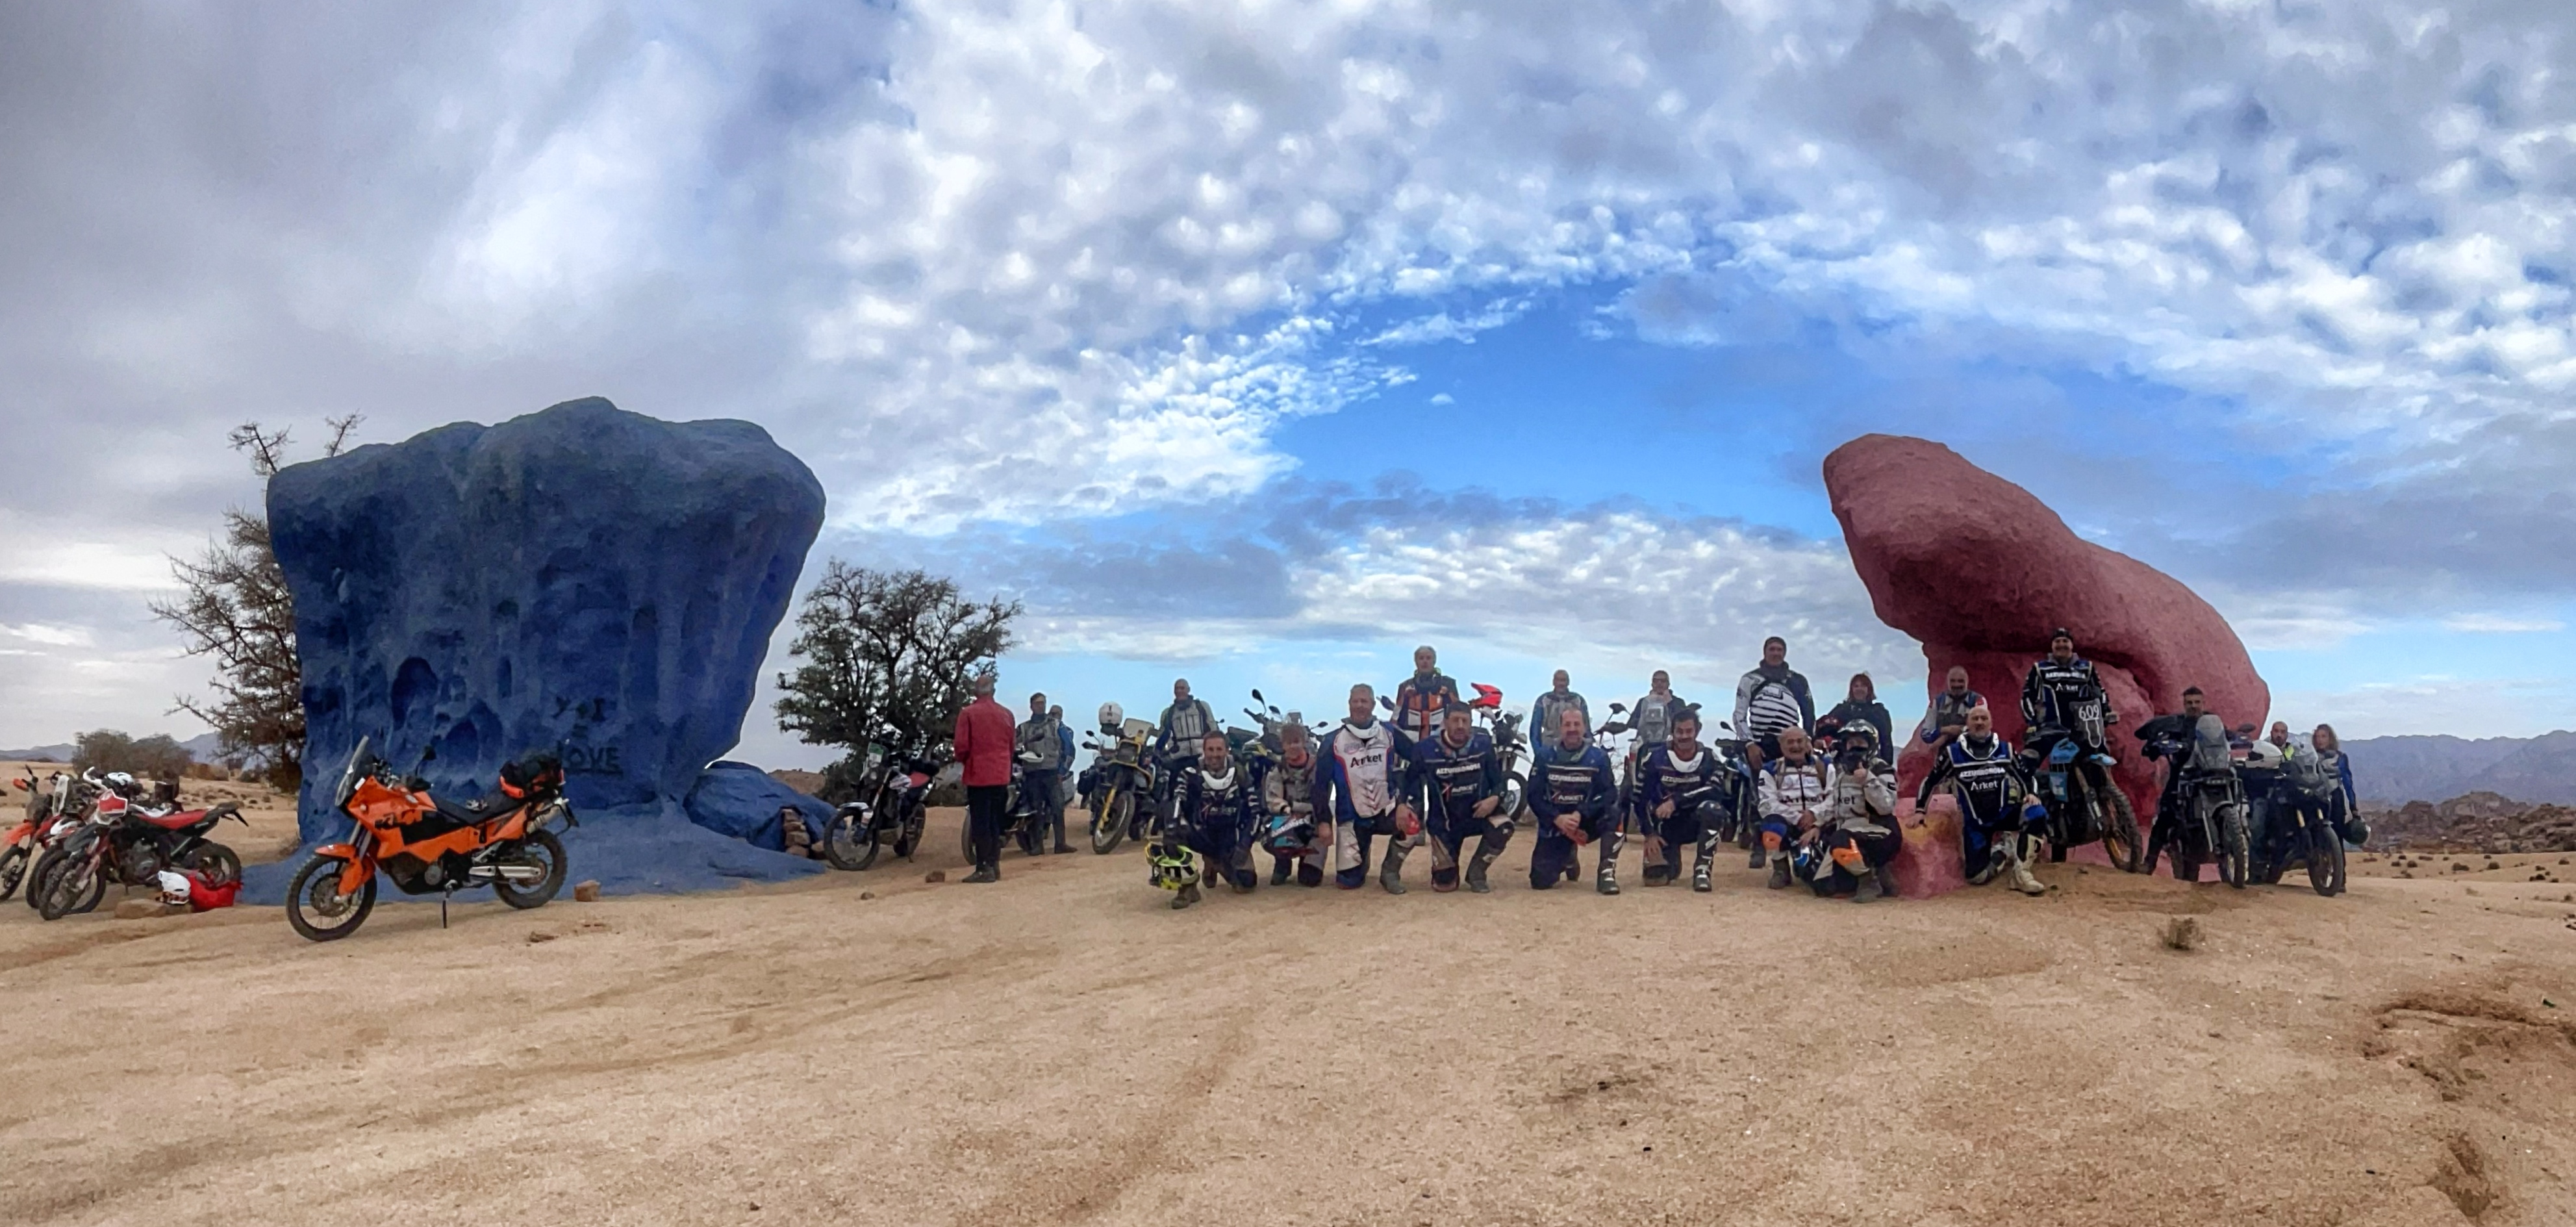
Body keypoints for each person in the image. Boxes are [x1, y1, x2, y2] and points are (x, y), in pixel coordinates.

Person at [1919, 705, 2043, 895]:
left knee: (2037, 813)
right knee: (1977, 877)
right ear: (1967, 723)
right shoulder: (1953, 754)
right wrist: (1920, 811)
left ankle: (2022, 874)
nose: (1979, 722)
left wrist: (2032, 794)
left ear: (1991, 723)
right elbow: (1930, 781)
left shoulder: (2005, 750)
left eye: (1983, 718)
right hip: (1976, 824)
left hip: (2005, 813)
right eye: (1975, 718)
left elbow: (2027, 777)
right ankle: (2003, 851)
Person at [1312, 683, 1420, 892]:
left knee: (1413, 826)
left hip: (1386, 810)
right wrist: (1324, 822)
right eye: (1356, 701)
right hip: (1351, 818)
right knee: (1348, 883)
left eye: (1365, 701)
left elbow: (1418, 759)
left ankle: (1390, 872)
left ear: (1372, 705)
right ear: (1349, 704)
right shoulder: (1332, 741)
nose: (1360, 706)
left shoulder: (1389, 733)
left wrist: (1404, 800)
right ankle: (1362, 854)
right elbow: (1320, 785)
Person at [1407, 705, 1511, 892]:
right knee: (1445, 885)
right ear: (1445, 722)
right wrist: (1411, 813)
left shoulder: (1483, 744)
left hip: (1476, 816)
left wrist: (1494, 798)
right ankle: (1445, 869)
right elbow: (1410, 783)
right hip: (1444, 824)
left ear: (1471, 724)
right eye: (1455, 720)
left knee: (1503, 825)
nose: (1460, 725)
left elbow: (1499, 782)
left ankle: (1477, 873)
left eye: (1465, 721)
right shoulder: (1425, 749)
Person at [1528, 707, 1619, 892]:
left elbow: (1610, 793)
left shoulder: (1598, 757)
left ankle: (1606, 873)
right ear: (1560, 728)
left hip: (1586, 821)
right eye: (1567, 724)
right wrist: (1556, 819)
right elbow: (1533, 795)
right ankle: (1568, 856)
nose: (1572, 729)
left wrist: (1582, 813)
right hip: (1557, 824)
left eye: (1577, 724)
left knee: (1615, 814)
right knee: (1540, 882)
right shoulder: (1545, 756)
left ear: (1585, 728)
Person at [1165, 731, 1260, 910]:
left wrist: (1245, 845)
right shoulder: (1189, 774)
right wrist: (1173, 825)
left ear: (1227, 750)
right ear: (1204, 750)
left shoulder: (1240, 773)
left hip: (1231, 836)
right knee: (1173, 832)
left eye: (1219, 749)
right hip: (1202, 833)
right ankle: (1187, 886)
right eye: (1210, 749)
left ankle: (1216, 863)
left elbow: (1256, 811)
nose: (1215, 754)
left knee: (1246, 884)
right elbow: (1176, 802)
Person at [1635, 709, 1728, 891]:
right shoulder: (1654, 758)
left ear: (1698, 731)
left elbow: (1715, 791)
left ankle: (1702, 870)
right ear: (1672, 731)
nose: (1684, 736)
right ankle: (1670, 856)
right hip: (1665, 826)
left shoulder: (1710, 758)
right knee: (1657, 878)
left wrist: (1677, 801)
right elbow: (1639, 799)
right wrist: (1649, 834)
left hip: (1696, 821)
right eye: (1679, 731)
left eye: (1689, 731)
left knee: (1713, 809)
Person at [1811, 726, 1900, 902]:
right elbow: (1833, 806)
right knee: (1823, 886)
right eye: (1851, 743)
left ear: (1871, 745)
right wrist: (1816, 824)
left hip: (1881, 831)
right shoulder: (1842, 775)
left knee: (1840, 839)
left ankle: (1868, 879)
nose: (1855, 747)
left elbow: (1886, 807)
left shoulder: (1882, 769)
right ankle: (1875, 872)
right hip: (1848, 833)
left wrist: (1868, 780)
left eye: (1860, 742)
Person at [2019, 628, 2119, 769]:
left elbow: (2099, 692)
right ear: (2052, 645)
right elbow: (2027, 697)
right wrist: (2032, 722)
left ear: (2072, 645)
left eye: (2065, 641)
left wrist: (2106, 712)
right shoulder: (2040, 669)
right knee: (2029, 758)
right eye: (2057, 641)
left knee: (2100, 758)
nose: (2061, 645)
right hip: (2050, 728)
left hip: (2083, 730)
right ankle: (2024, 789)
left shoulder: (2087, 668)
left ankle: (2104, 785)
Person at [953, 672, 1018, 883]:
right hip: (1001, 775)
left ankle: (983, 868)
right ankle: (994, 864)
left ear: (974, 691)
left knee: (981, 823)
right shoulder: (1007, 714)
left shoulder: (968, 713)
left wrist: (966, 761)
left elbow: (962, 747)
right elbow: (1011, 746)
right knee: (995, 822)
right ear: (994, 691)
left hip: (978, 775)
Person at [1755, 726, 1832, 889]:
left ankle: (1804, 862)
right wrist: (1797, 818)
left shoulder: (1825, 766)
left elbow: (1835, 798)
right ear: (1781, 745)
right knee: (1771, 826)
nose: (1795, 746)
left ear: (1807, 743)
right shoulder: (1770, 770)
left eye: (1799, 741)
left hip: (1818, 825)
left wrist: (1814, 815)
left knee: (1817, 880)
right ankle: (1780, 869)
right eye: (1790, 742)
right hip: (1789, 824)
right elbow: (1767, 804)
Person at [1622, 670, 1691, 829]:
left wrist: (1669, 704)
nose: (1659, 684)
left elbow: (1684, 720)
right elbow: (1633, 721)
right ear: (1652, 683)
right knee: (1629, 775)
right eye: (1656, 681)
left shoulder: (1678, 702)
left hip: (1669, 742)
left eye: (1663, 681)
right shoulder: (1644, 702)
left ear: (1668, 684)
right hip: (1646, 743)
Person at [1734, 637, 1814, 771]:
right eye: (1772, 649)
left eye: (1779, 650)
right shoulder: (1749, 679)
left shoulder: (1798, 680)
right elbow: (1739, 715)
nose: (1776, 653)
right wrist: (1749, 744)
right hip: (1760, 745)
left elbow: (1809, 714)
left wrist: (1807, 740)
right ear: (1765, 652)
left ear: (1785, 653)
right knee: (1757, 788)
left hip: (1792, 744)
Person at [1261, 720, 1324, 887]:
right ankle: (1283, 863)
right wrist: (1289, 811)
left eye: (1296, 741)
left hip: (1315, 824)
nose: (1293, 746)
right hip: (1290, 819)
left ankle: (1308, 860)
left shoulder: (1318, 768)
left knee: (1310, 879)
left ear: (1304, 742)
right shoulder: (1277, 770)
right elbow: (1273, 800)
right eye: (1289, 742)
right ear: (1283, 745)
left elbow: (1323, 800)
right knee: (1271, 828)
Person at [1017, 693, 1068, 854]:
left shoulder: (1056, 725)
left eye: (1043, 703)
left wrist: (1062, 771)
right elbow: (1012, 746)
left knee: (1058, 808)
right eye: (1038, 703)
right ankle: (1037, 846)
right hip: (1032, 774)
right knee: (1035, 811)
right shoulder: (1023, 728)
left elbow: (1069, 748)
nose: (1041, 706)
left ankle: (1061, 844)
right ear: (1031, 706)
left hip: (1052, 773)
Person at [1391, 645, 1461, 752]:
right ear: (1416, 661)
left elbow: (1458, 711)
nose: (1425, 662)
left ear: (1434, 661)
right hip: (1411, 742)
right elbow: (1396, 717)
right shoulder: (1405, 686)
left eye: (1428, 658)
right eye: (1421, 658)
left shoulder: (1448, 684)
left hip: (1441, 742)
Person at [2309, 724, 2368, 846]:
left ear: (2330, 738)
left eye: (2324, 736)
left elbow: (2347, 782)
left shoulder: (2340, 758)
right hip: (2315, 798)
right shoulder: (2310, 758)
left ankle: (2339, 864)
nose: (2320, 740)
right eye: (2318, 737)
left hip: (2336, 798)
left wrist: (2353, 808)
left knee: (2337, 833)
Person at [1819, 673, 1893, 757]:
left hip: (1871, 758)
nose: (1859, 689)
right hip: (1844, 759)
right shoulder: (1842, 710)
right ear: (1851, 690)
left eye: (1863, 686)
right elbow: (1824, 728)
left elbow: (1886, 741)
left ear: (1869, 689)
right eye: (1856, 686)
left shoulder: (1879, 712)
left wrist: (1887, 764)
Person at [1915, 666, 1984, 750]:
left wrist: (1948, 736)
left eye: (1961, 681)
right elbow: (1926, 734)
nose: (1957, 685)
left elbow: (1981, 729)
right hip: (1943, 757)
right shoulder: (1937, 702)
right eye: (1953, 681)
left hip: (1971, 755)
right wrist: (1944, 730)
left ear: (1967, 682)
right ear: (1948, 682)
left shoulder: (1978, 701)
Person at [1531, 670, 1589, 753]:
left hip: (1574, 747)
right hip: (1549, 746)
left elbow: (1586, 728)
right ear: (1553, 682)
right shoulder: (1543, 700)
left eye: (1564, 680)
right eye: (1558, 680)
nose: (1561, 684)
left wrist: (1586, 749)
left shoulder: (1578, 700)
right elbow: (1535, 730)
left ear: (1568, 682)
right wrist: (1538, 752)